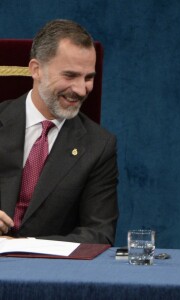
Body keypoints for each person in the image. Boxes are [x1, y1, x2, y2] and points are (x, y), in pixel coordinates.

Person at [0, 19, 118, 245]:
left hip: (50, 272)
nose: (81, 89)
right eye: (70, 76)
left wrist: (22, 245)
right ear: (36, 70)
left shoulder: (99, 146)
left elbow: (99, 234)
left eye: (89, 78)